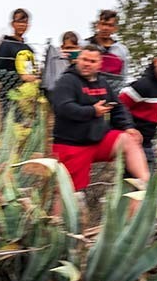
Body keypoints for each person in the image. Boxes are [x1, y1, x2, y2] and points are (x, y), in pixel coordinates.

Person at [48, 46, 149, 193]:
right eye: (84, 59)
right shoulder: (67, 81)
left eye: (92, 61)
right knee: (68, 195)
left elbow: (118, 107)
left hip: (98, 141)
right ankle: (58, 217)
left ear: (99, 64)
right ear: (78, 59)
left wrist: (128, 127)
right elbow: (63, 108)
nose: (87, 64)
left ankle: (145, 185)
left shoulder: (102, 83)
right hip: (72, 145)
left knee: (129, 139)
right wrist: (92, 111)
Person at [118, 44, 157, 175]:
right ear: (156, 61)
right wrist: (128, 128)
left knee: (148, 179)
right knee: (140, 180)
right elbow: (119, 105)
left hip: (147, 141)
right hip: (131, 141)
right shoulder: (143, 85)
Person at [0, 8, 38, 118]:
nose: (22, 25)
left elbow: (30, 72)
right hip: (9, 96)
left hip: (27, 98)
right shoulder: (6, 45)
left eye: (25, 22)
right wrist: (20, 77)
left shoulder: (29, 49)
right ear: (13, 24)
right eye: (19, 21)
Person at [83, 10, 130, 92]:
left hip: (113, 93)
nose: (105, 28)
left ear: (115, 28)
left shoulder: (121, 50)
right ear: (98, 25)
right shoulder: (84, 45)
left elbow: (123, 77)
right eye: (103, 24)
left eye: (110, 25)